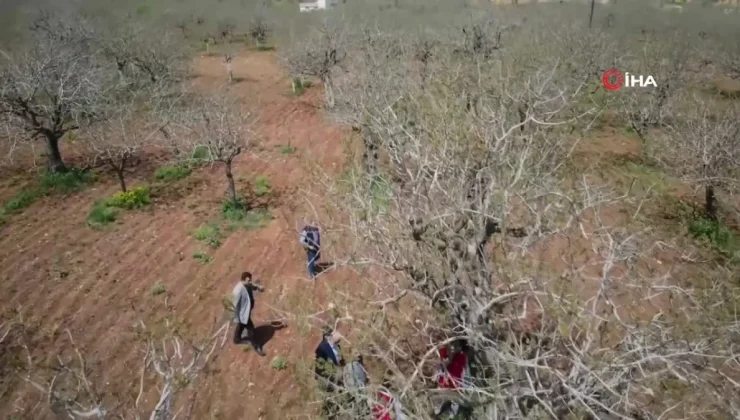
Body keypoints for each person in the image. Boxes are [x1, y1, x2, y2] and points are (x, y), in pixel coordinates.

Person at [432, 340, 470, 417]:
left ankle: (441, 345)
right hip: (454, 374)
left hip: (451, 375)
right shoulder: (461, 358)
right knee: (449, 362)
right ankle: (443, 345)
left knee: (446, 363)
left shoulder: (446, 394)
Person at [231, 271, 266, 356]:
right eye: (248, 280)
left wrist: (258, 287)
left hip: (246, 311)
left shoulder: (247, 284)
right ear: (243, 280)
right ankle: (256, 346)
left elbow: (253, 286)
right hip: (242, 313)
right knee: (251, 329)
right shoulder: (238, 290)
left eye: (250, 280)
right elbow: (233, 304)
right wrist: (235, 316)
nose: (250, 282)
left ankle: (236, 339)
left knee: (241, 325)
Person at [315, 327, 343, 418]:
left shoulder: (337, 346)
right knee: (332, 405)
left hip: (338, 380)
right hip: (328, 382)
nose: (340, 333)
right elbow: (320, 370)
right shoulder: (322, 349)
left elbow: (340, 362)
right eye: (337, 331)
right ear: (331, 334)